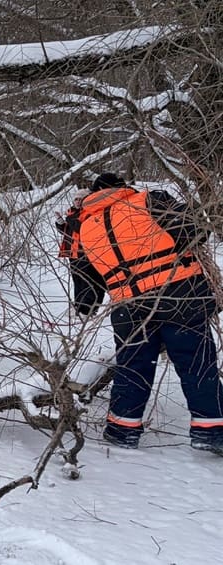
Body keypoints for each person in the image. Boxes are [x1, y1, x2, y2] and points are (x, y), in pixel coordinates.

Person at [75, 172, 223, 455]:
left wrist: (86, 306)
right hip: (179, 295)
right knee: (196, 363)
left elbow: (88, 286)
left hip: (128, 307)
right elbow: (195, 232)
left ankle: (122, 431)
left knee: (132, 368)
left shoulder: (85, 227)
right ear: (122, 188)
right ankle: (212, 432)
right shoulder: (149, 200)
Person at [56, 187, 106, 317]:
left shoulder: (90, 212)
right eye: (76, 199)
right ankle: (78, 306)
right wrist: (60, 223)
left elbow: (80, 229)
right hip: (73, 254)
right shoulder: (72, 213)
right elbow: (67, 232)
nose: (78, 201)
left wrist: (69, 219)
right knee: (77, 281)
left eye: (80, 199)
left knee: (88, 282)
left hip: (86, 254)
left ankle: (87, 310)